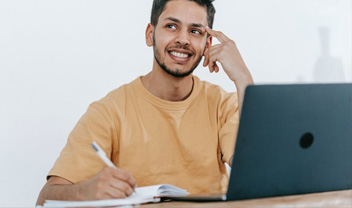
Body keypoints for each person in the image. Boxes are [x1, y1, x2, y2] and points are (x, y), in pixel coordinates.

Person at [36, 0, 254, 205]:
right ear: (150, 35)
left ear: (207, 45)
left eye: (195, 31)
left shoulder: (224, 105)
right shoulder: (109, 111)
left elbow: (259, 173)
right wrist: (87, 191)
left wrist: (243, 79)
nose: (184, 39)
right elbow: (44, 200)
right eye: (171, 26)